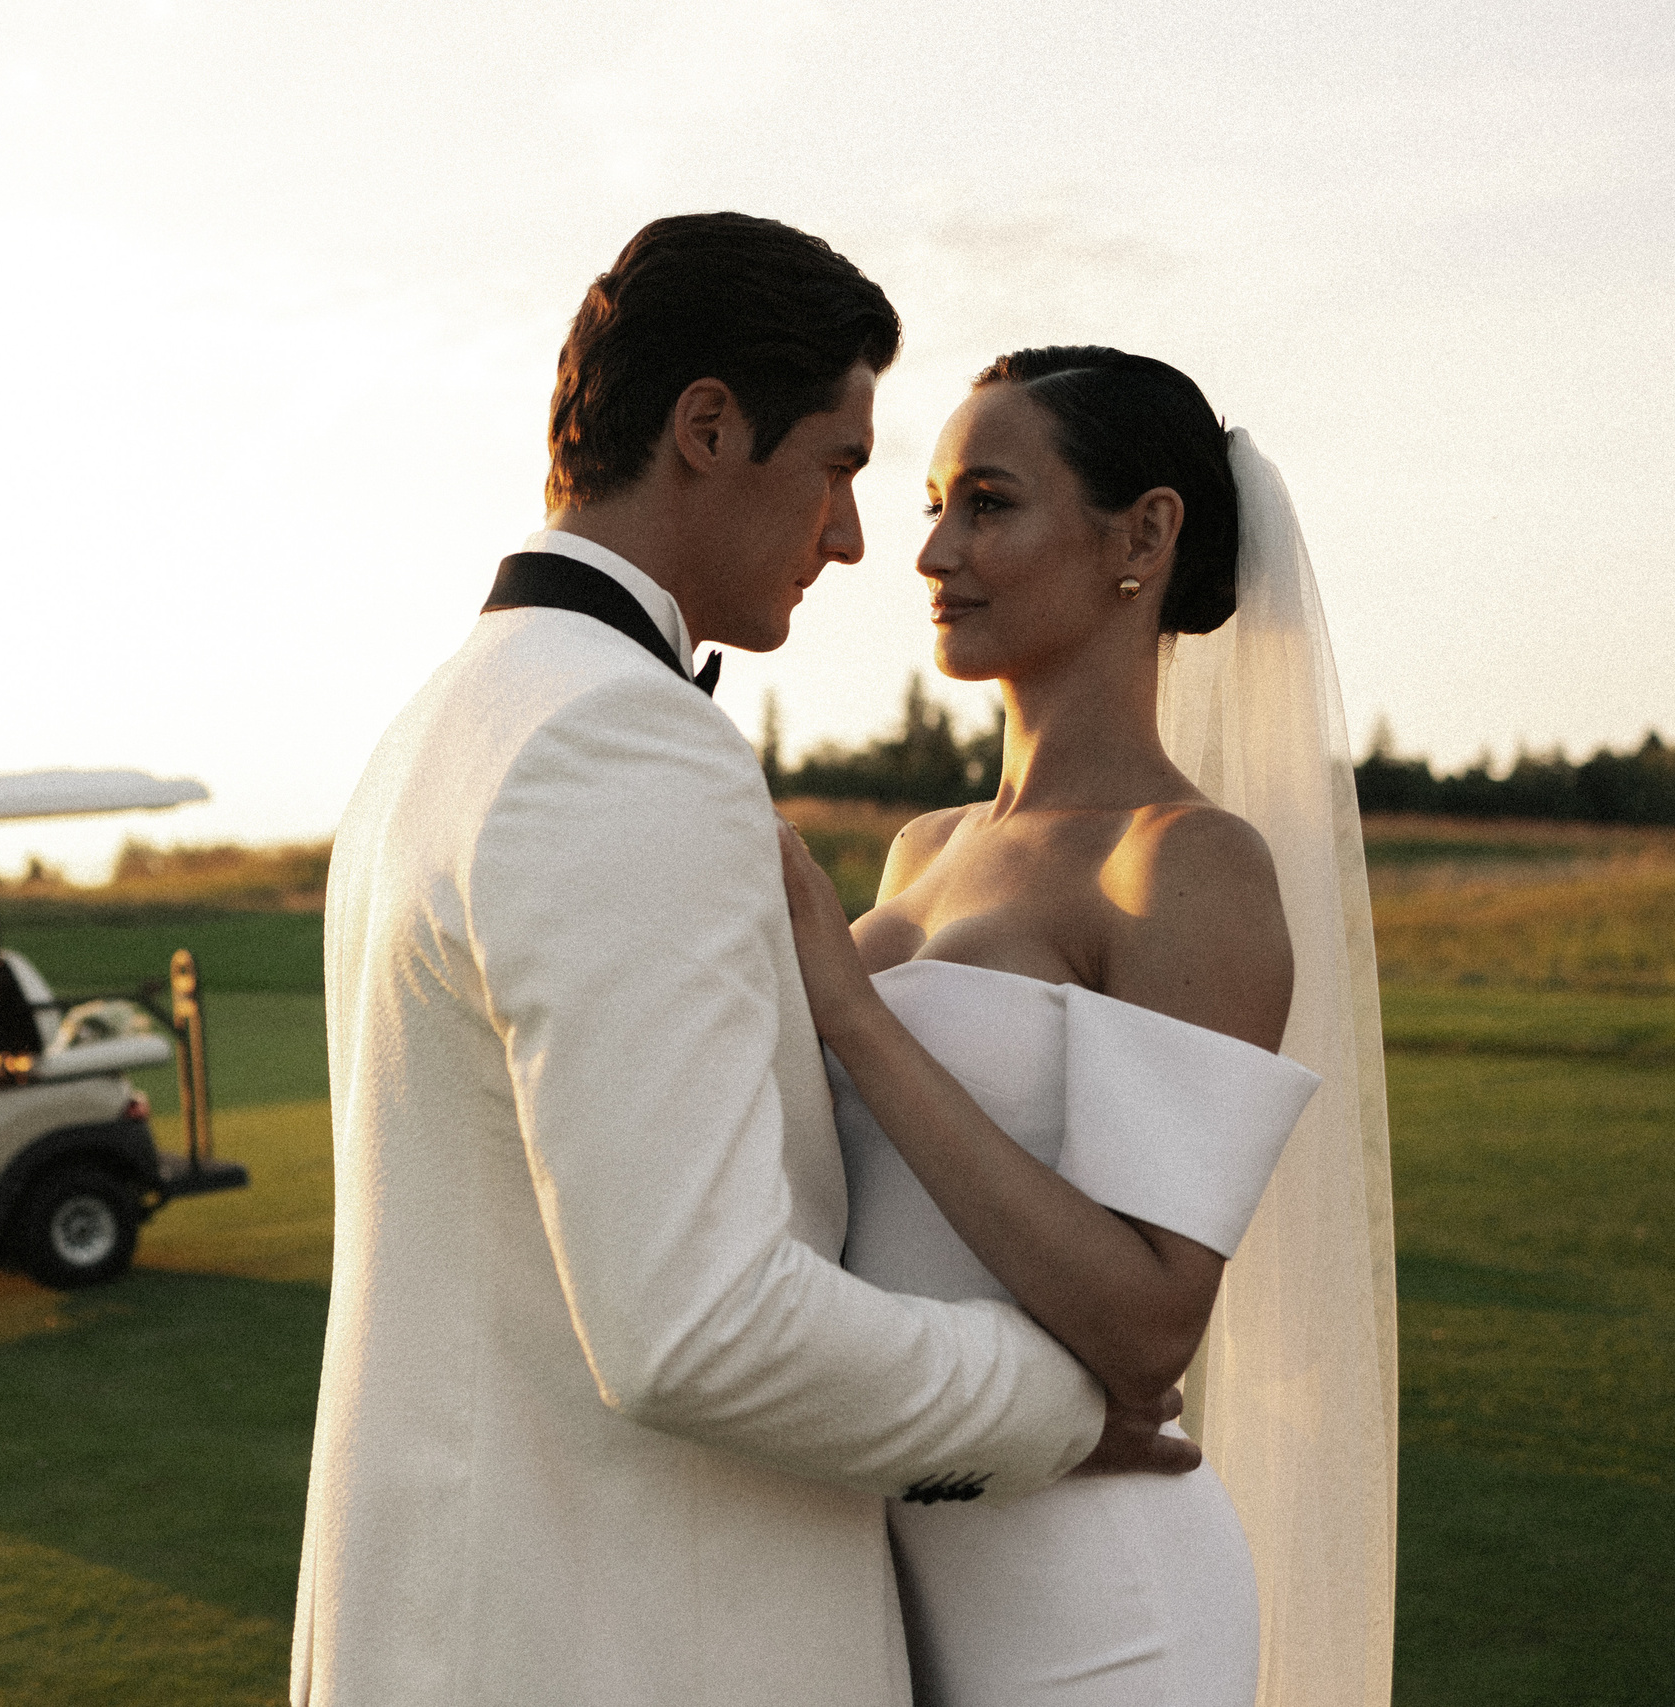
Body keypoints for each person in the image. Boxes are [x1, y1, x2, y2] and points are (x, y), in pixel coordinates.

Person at [290, 217, 1207, 1707]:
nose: (856, 538)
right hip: (630, 1647)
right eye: (843, 465)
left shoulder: (446, 723)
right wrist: (1051, 1404)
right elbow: (699, 1330)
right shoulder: (620, 741)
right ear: (710, 427)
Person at [776, 347, 1397, 1707]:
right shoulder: (921, 848)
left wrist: (854, 1018)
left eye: (987, 503)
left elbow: (1148, 1324)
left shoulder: (1185, 864)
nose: (930, 549)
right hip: (897, 1574)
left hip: (1101, 1615)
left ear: (1146, 534)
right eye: (934, 503)